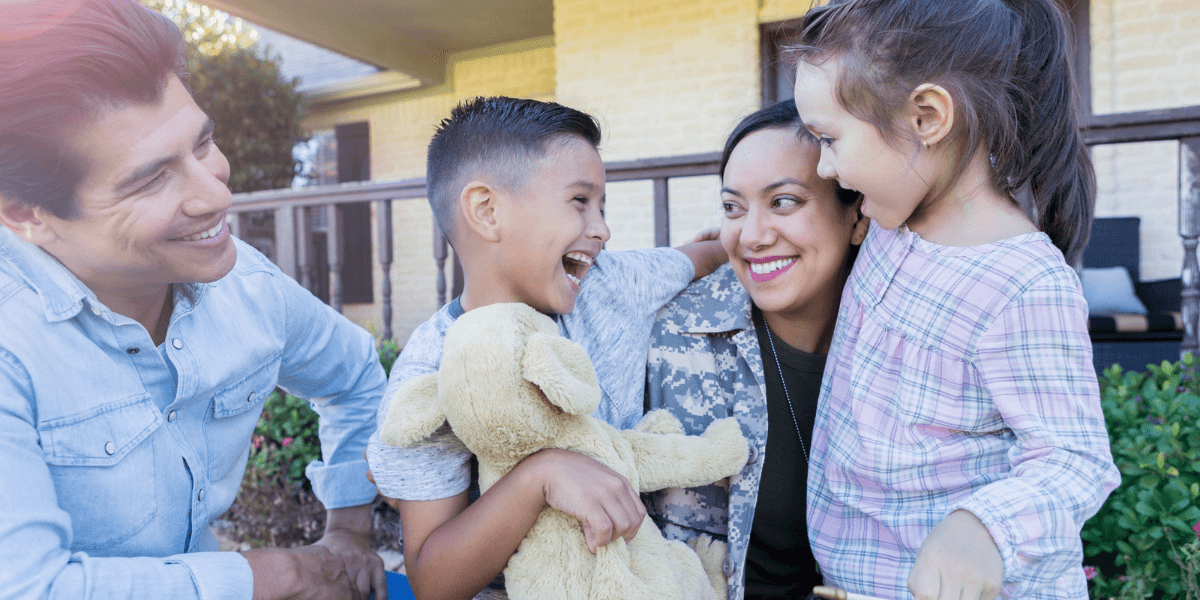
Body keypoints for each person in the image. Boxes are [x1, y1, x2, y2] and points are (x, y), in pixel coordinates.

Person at [0, 2, 388, 599]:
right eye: (152, 178)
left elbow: (356, 375)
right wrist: (279, 575)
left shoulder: (248, 288)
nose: (216, 194)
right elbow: (27, 589)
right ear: (27, 214)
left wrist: (349, 531)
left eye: (203, 144)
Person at [787, 0, 1123, 598]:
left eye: (830, 138)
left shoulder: (1020, 281)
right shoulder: (889, 229)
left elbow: (1075, 459)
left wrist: (983, 528)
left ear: (927, 116)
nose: (823, 165)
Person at [364, 96, 728, 600]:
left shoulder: (611, 284)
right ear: (486, 211)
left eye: (603, 206)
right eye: (580, 201)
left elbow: (700, 256)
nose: (602, 228)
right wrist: (541, 475)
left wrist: (733, 238)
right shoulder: (433, 373)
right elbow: (432, 581)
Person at [643, 100, 867, 600]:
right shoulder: (675, 336)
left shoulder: (904, 341)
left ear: (858, 215)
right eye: (732, 207)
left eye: (784, 202)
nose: (751, 235)